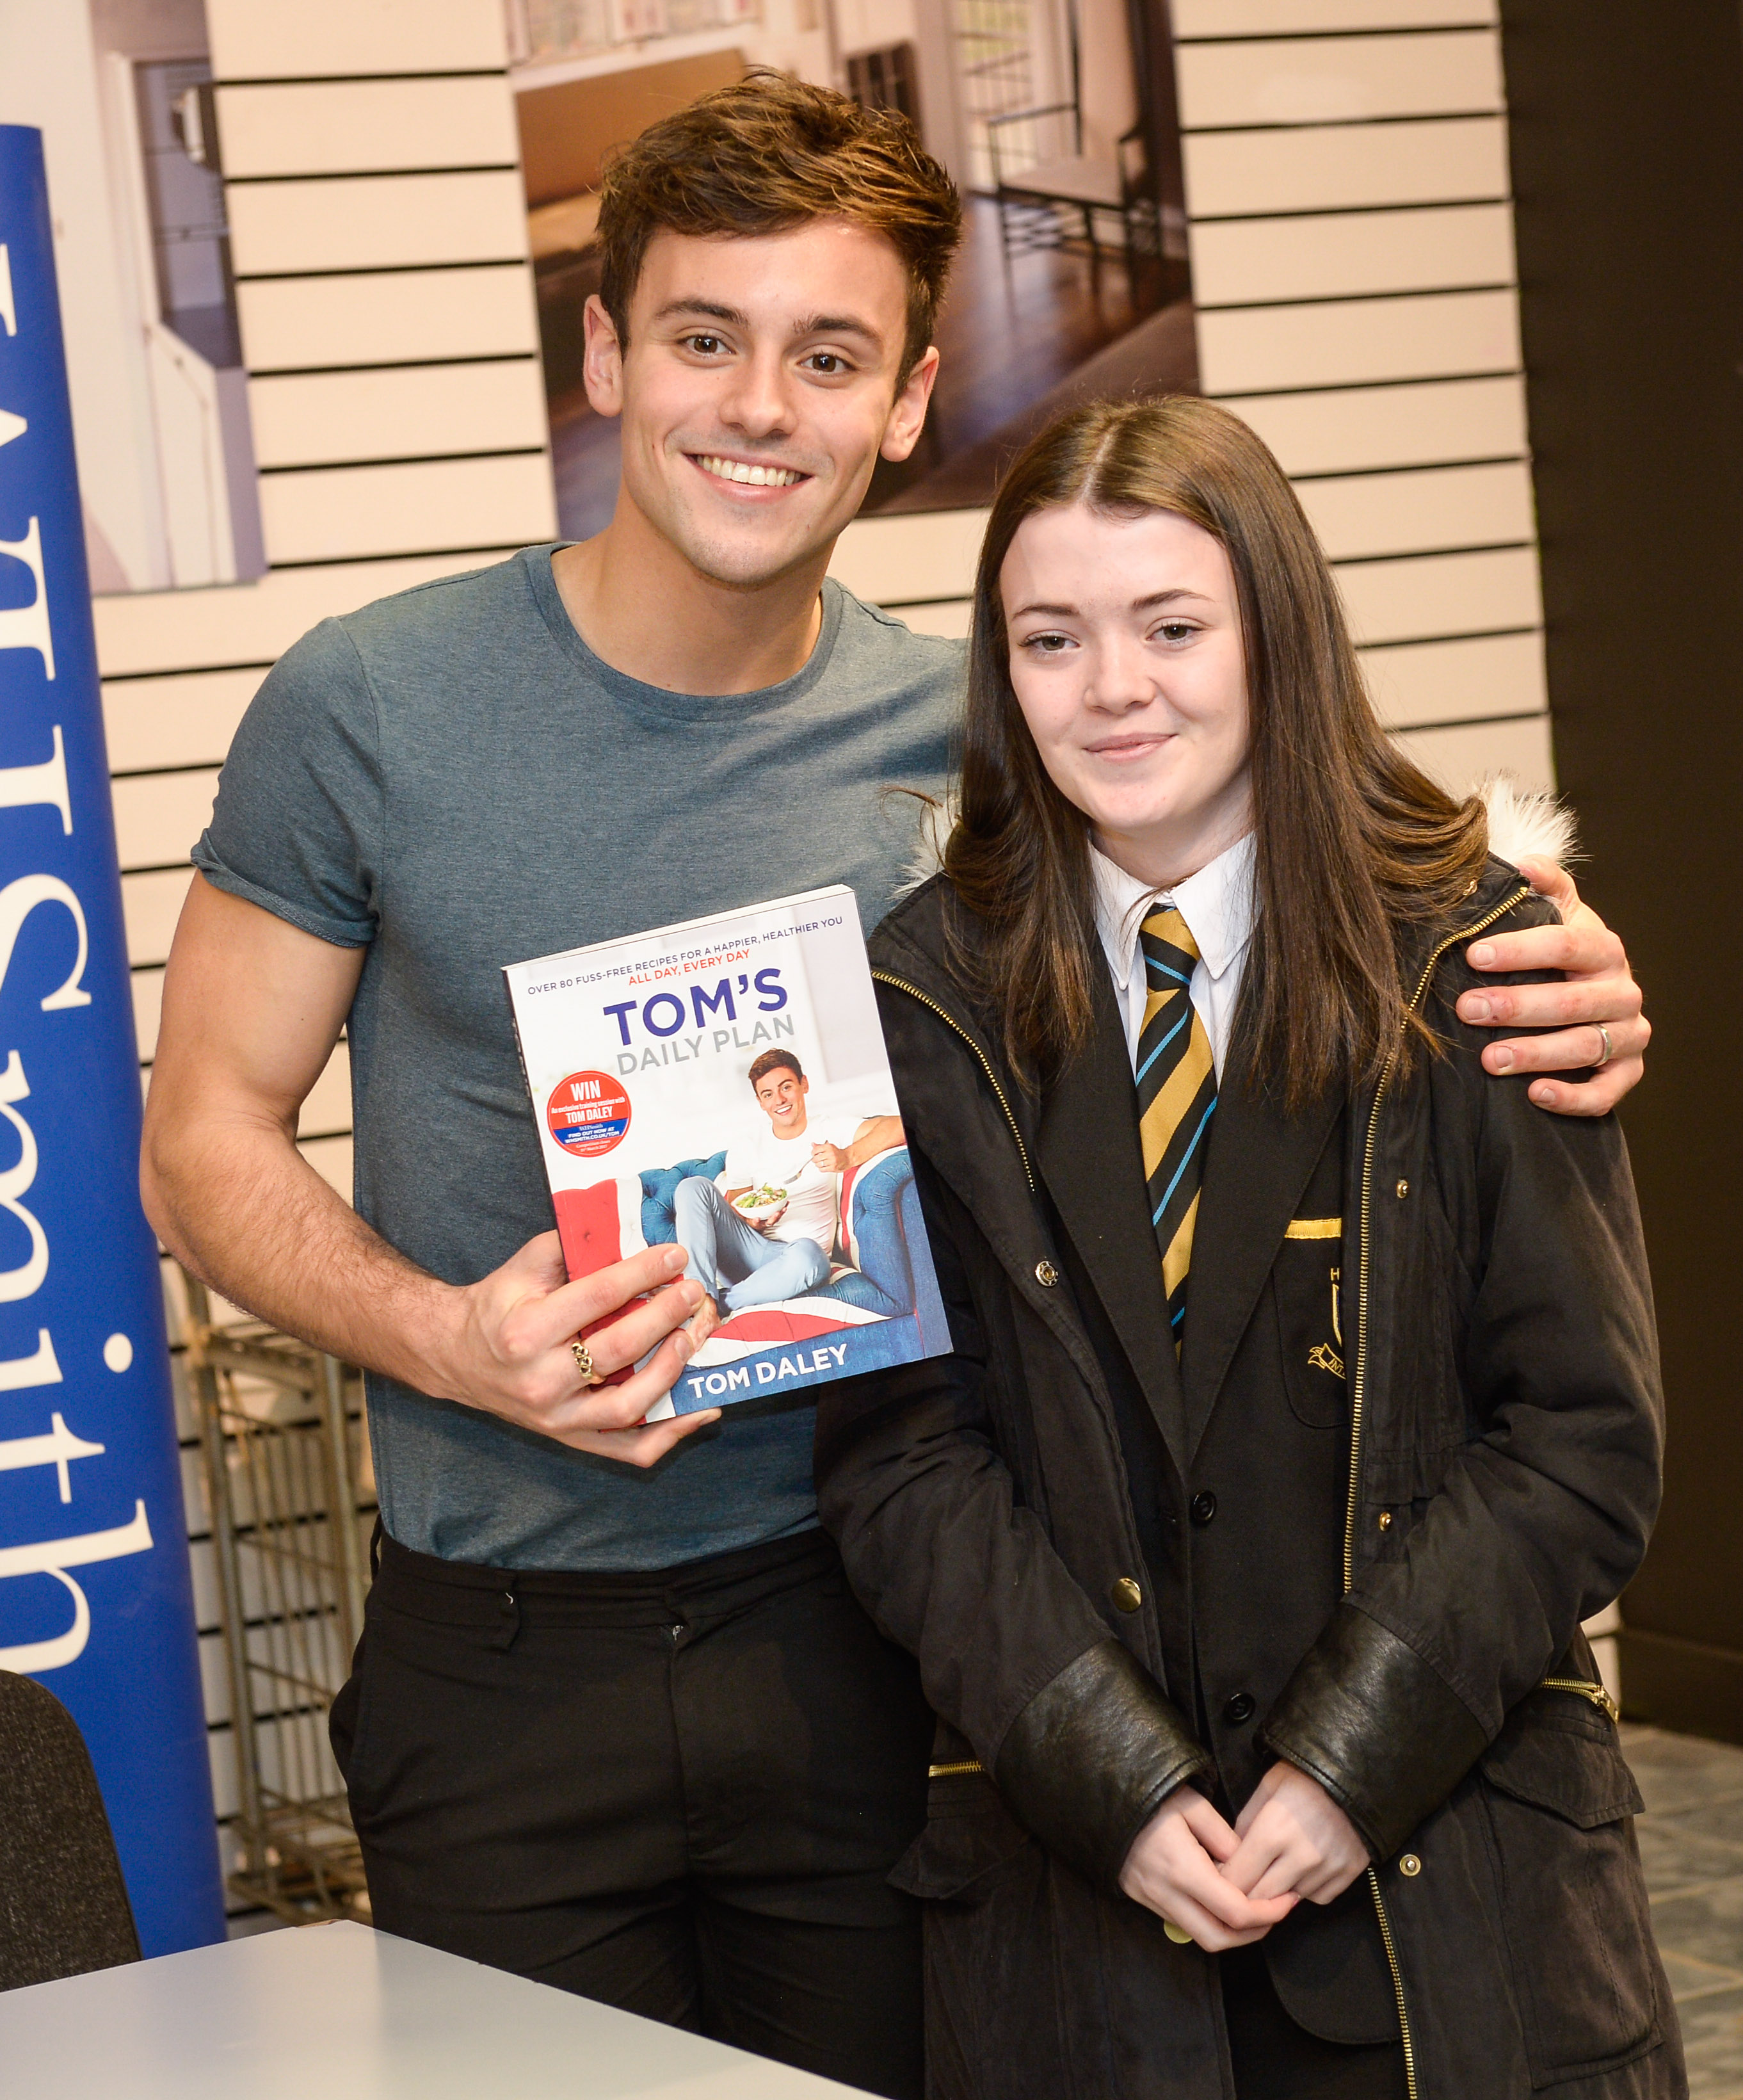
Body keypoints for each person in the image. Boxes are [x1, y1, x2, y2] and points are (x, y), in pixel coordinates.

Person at [138, 74, 1651, 2099]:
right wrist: (447, 1335)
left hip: (876, 1643)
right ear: (603, 352)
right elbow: (201, 1136)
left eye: (825, 353)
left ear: (908, 396)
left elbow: (1281, 873)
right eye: (703, 337)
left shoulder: (987, 745)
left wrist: (1537, 953)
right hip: (505, 1644)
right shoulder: (367, 701)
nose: (759, 404)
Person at [814, 396, 1680, 2100]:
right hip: (1084, 1916)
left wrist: (1343, 1767)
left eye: (1170, 627)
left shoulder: (1484, 954)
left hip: (1450, 1908)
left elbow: (1580, 1440)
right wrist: (1114, 1785)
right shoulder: (920, 996)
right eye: (1049, 639)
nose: (1111, 689)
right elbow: (905, 1460)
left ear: (1274, 631)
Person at [675, 1049, 904, 1323]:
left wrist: (847, 1156)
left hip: (801, 1260)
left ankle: (715, 1307)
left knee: (809, 1254)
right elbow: (737, 1211)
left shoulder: (830, 1129)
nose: (780, 1100)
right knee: (693, 1186)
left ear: (803, 1085)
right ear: (760, 1102)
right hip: (752, 1251)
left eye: (786, 1087)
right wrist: (753, 1222)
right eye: (768, 1094)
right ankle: (702, 1298)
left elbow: (900, 1125)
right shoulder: (747, 1146)